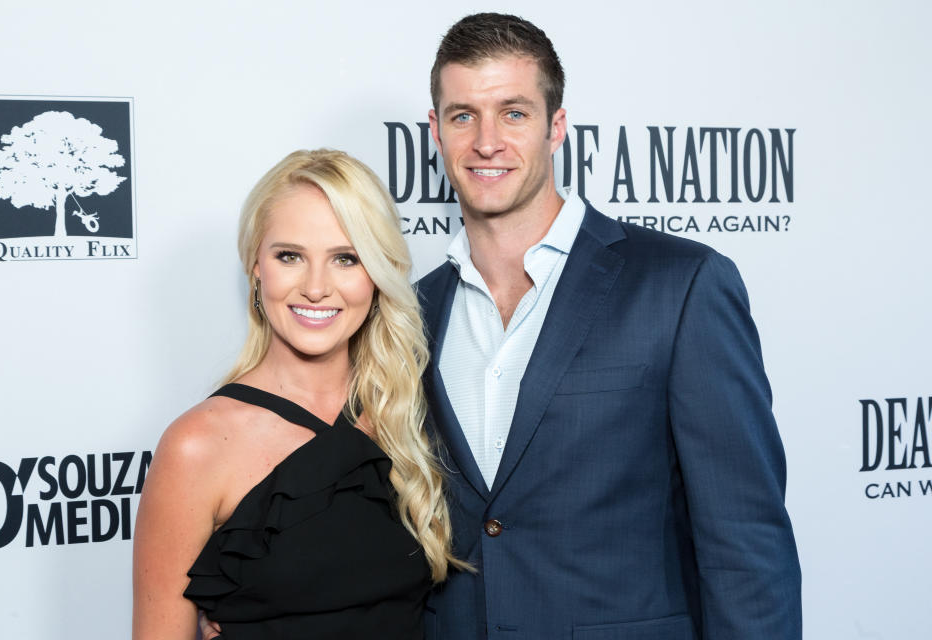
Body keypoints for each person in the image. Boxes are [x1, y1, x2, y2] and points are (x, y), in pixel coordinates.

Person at [414, 13, 803, 639]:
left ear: (556, 127)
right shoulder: (414, 313)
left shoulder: (680, 285)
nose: (487, 141)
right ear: (436, 131)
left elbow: (744, 540)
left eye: (514, 113)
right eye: (463, 116)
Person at [133, 149, 463, 640]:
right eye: (290, 256)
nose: (315, 287)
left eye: (345, 259)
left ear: (376, 274)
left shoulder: (409, 415)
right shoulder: (196, 446)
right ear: (255, 267)